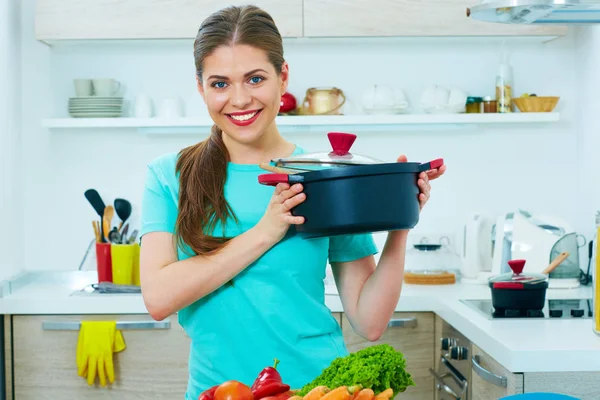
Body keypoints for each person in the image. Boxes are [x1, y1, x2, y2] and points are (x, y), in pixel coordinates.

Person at [139, 4, 446, 400]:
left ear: (283, 78)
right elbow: (159, 298)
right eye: (220, 84)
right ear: (200, 88)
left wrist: (401, 220)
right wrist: (266, 231)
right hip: (218, 393)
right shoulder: (170, 176)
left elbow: (369, 321)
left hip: (316, 391)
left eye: (255, 78)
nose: (239, 99)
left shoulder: (323, 175)